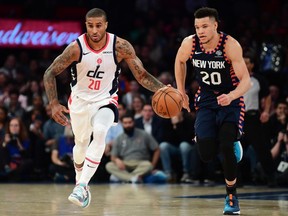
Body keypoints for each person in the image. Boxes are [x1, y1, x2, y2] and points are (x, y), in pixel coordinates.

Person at [43, 8, 165, 208]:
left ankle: (82, 186)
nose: (94, 30)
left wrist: (163, 88)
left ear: (106, 25)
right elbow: (49, 73)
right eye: (90, 25)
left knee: (100, 132)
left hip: (105, 100)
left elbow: (141, 75)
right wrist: (54, 104)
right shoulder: (76, 48)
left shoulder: (121, 47)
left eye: (98, 25)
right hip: (80, 102)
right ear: (86, 25)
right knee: (81, 144)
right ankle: (79, 181)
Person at [174, 7, 251, 215]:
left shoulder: (230, 45)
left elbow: (247, 81)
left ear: (215, 25)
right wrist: (181, 91)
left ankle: (232, 196)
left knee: (226, 146)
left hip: (230, 98)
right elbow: (180, 61)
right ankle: (215, 138)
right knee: (206, 154)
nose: (200, 31)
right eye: (197, 27)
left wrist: (233, 96)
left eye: (205, 26)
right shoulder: (189, 43)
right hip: (207, 98)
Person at [241, 53, 277, 186]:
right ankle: (236, 180)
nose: (244, 64)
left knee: (262, 149)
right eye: (242, 61)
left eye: (247, 62)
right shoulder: (233, 78)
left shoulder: (258, 79)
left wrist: (266, 112)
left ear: (252, 65)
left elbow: (267, 96)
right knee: (234, 149)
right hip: (237, 119)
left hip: (252, 117)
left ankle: (271, 177)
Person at [105, 113, 160, 183]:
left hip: (141, 163)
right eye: (125, 123)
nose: (128, 125)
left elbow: (157, 149)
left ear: (133, 122)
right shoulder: (118, 138)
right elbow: (113, 157)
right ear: (122, 124)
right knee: (109, 165)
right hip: (125, 164)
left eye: (130, 122)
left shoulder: (143, 134)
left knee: (148, 165)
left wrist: (153, 165)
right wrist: (117, 160)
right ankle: (133, 178)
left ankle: (125, 177)